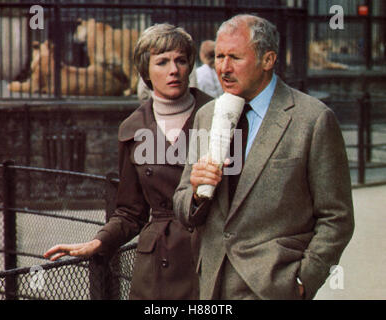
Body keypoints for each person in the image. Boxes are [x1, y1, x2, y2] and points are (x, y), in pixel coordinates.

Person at [173, 14, 354, 300]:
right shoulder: (206, 115)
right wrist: (195, 194)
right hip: (211, 286)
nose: (223, 68)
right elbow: (182, 203)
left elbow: (337, 217)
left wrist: (304, 280)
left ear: (268, 60)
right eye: (219, 56)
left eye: (235, 57)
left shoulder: (313, 119)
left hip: (275, 287)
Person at [44, 23, 212, 300]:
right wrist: (99, 241)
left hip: (209, 257)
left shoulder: (217, 116)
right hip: (158, 266)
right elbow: (130, 212)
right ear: (146, 71)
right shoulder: (133, 128)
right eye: (163, 62)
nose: (174, 70)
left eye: (181, 60)